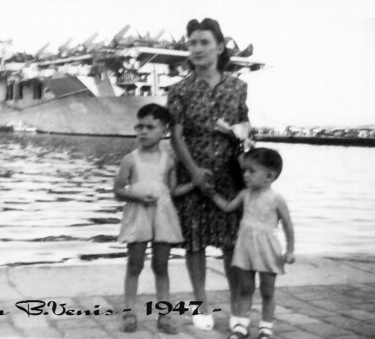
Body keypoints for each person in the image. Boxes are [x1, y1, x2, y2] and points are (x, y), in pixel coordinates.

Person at [168, 17, 249, 331]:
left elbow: (245, 126)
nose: (197, 48)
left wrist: (244, 144)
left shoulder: (238, 86)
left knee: (231, 242)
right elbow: (176, 137)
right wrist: (194, 174)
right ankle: (199, 304)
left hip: (230, 171)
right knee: (195, 242)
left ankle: (235, 303)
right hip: (194, 168)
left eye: (204, 42)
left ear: (219, 47)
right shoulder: (179, 89)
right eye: (192, 43)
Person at [114, 103, 195, 334]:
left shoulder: (169, 160)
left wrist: (194, 184)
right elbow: (118, 190)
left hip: (163, 216)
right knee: (135, 263)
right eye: (139, 126)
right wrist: (136, 196)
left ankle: (164, 314)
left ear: (164, 131)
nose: (143, 131)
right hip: (138, 215)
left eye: (150, 127)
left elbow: (172, 190)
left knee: (161, 265)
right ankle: (129, 312)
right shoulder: (130, 159)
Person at [209, 148, 295, 339]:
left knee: (267, 290)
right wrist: (212, 194)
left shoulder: (276, 199)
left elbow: (288, 225)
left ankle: (266, 327)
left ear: (269, 176)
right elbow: (227, 207)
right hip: (245, 248)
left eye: (251, 171)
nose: (245, 175)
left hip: (267, 250)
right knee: (245, 288)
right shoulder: (245, 194)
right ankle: (241, 325)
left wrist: (290, 250)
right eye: (245, 170)